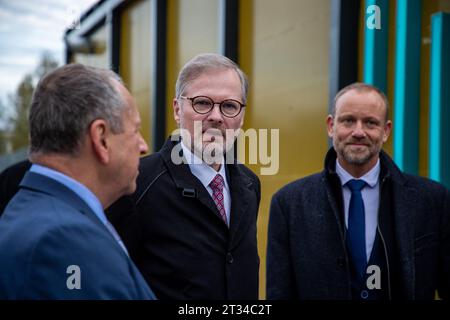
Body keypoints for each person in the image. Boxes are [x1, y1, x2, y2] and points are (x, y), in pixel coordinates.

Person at [267, 82, 450, 300]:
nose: (359, 132)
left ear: (386, 131)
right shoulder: (288, 204)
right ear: (331, 126)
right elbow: (279, 294)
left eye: (371, 123)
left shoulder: (432, 200)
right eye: (348, 121)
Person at [107, 53, 261, 299]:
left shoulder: (250, 184)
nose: (216, 117)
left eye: (229, 106)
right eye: (202, 103)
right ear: (177, 110)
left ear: (241, 117)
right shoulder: (135, 184)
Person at [0, 64, 156, 299]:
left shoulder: (37, 212)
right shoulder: (64, 239)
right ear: (101, 138)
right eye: (135, 131)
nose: (143, 146)